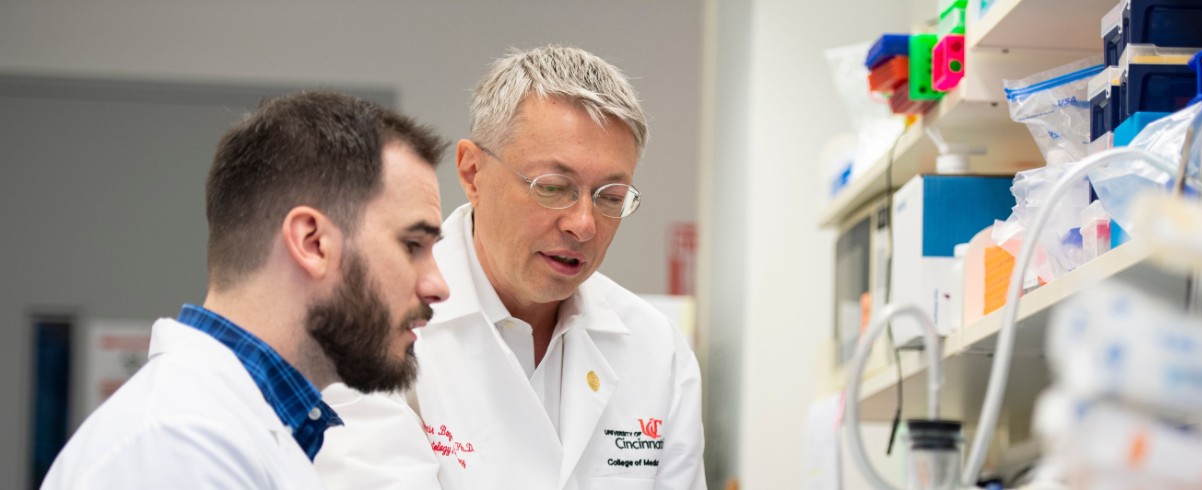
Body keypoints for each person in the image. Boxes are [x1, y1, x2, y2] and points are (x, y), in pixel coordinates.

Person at [316, 45, 706, 489]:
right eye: (554, 187)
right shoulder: (371, 325)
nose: (583, 224)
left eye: (611, 197)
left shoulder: (657, 349)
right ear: (472, 172)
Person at [41, 91, 451, 489]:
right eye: (412, 245)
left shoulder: (256, 433)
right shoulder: (179, 446)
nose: (439, 286)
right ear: (312, 243)